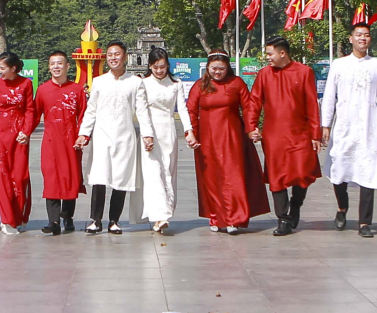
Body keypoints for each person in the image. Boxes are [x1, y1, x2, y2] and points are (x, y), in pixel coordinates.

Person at [186, 52, 267, 233]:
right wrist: (191, 133)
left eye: (221, 68)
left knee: (233, 177)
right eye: (214, 68)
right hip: (207, 139)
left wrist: (251, 128)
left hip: (232, 137)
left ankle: (233, 218)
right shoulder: (200, 86)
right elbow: (191, 111)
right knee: (211, 178)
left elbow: (248, 107)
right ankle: (215, 216)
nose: (217, 72)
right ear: (207, 68)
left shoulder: (236, 83)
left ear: (228, 68)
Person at [77, 40, 152, 234]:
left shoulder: (135, 82)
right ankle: (95, 220)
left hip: (125, 136)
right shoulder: (99, 82)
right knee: (100, 177)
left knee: (121, 178)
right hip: (102, 136)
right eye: (110, 54)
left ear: (125, 57)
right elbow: (91, 110)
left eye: (117, 54)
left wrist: (147, 134)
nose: (113, 58)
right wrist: (84, 133)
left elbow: (142, 110)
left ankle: (114, 220)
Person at [320, 23, 377, 236]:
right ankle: (342, 208)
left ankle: (364, 223)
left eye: (366, 35)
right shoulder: (339, 65)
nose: (363, 38)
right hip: (344, 126)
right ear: (350, 38)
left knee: (369, 171)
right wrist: (325, 125)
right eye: (359, 35)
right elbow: (330, 96)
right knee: (339, 168)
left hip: (368, 126)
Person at [250, 37, 320, 236]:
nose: (268, 58)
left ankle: (296, 205)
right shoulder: (264, 74)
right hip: (274, 136)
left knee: (302, 173)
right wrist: (251, 126)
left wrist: (315, 134)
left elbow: (312, 105)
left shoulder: (304, 72)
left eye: (270, 54)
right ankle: (283, 218)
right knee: (277, 176)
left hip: (300, 134)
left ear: (282, 53)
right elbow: (254, 101)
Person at [134, 47, 193, 234]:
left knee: (168, 172)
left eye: (163, 66)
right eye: (156, 67)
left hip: (168, 132)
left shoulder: (176, 83)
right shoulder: (142, 84)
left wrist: (188, 130)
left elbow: (182, 109)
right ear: (150, 66)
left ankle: (165, 213)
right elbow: (141, 111)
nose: (160, 70)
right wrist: (146, 134)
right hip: (149, 132)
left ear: (168, 65)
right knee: (153, 174)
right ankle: (160, 216)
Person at [0, 53, 37, 236]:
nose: (0, 72)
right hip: (2, 135)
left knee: (20, 177)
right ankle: (6, 220)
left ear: (13, 68)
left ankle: (19, 216)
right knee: (2, 177)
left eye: (2, 68)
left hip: (20, 136)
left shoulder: (26, 84)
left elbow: (30, 110)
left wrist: (26, 131)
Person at [34, 49, 85, 234]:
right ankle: (53, 222)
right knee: (52, 179)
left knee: (70, 178)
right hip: (50, 142)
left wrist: (83, 136)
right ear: (49, 67)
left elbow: (84, 115)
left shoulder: (77, 89)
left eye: (60, 63)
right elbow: (34, 113)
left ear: (67, 66)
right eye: (52, 64)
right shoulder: (43, 90)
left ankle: (67, 217)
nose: (56, 67)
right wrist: (24, 132)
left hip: (71, 142)